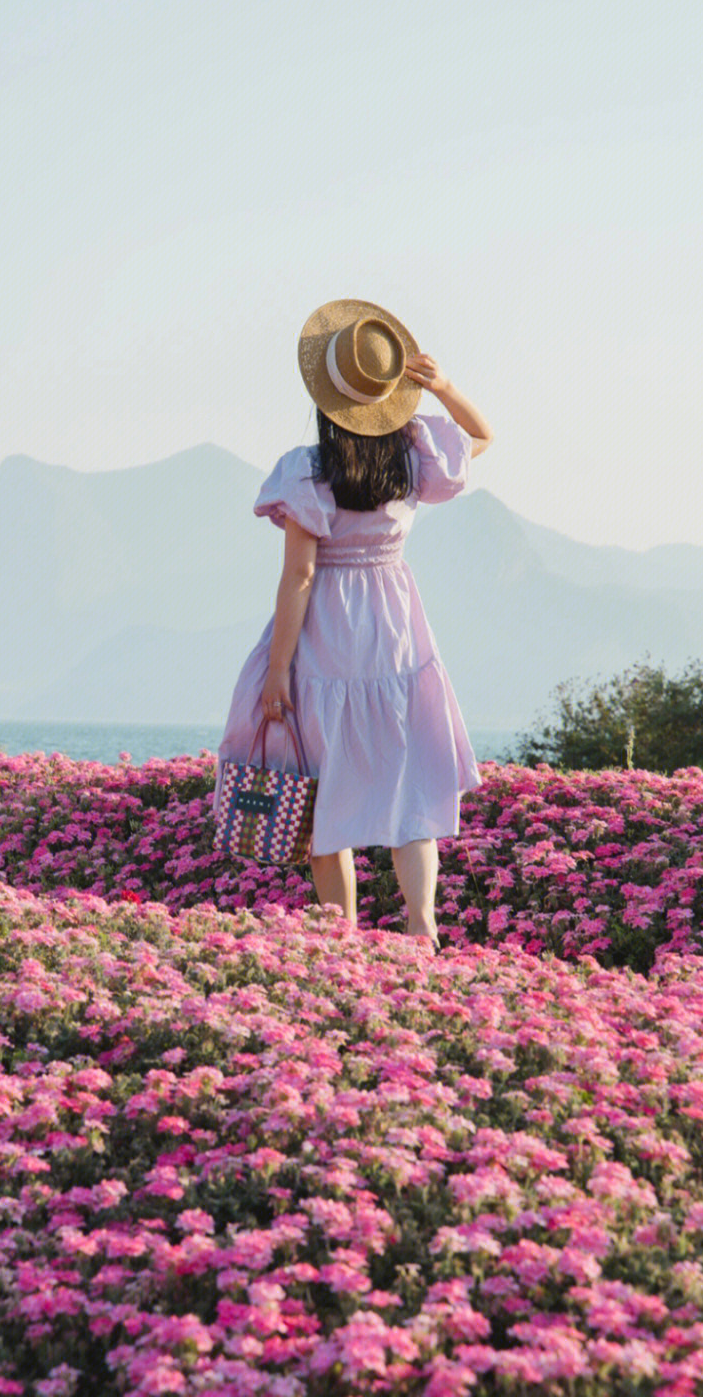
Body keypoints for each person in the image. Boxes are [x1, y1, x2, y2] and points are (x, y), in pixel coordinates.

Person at [214, 298, 494, 953]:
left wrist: (277, 670)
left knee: (326, 796)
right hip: (396, 631)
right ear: (388, 394)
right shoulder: (413, 456)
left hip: (327, 637)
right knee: (410, 796)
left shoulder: (308, 471)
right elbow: (479, 438)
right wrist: (445, 387)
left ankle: (343, 944)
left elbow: (301, 577)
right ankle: (422, 931)